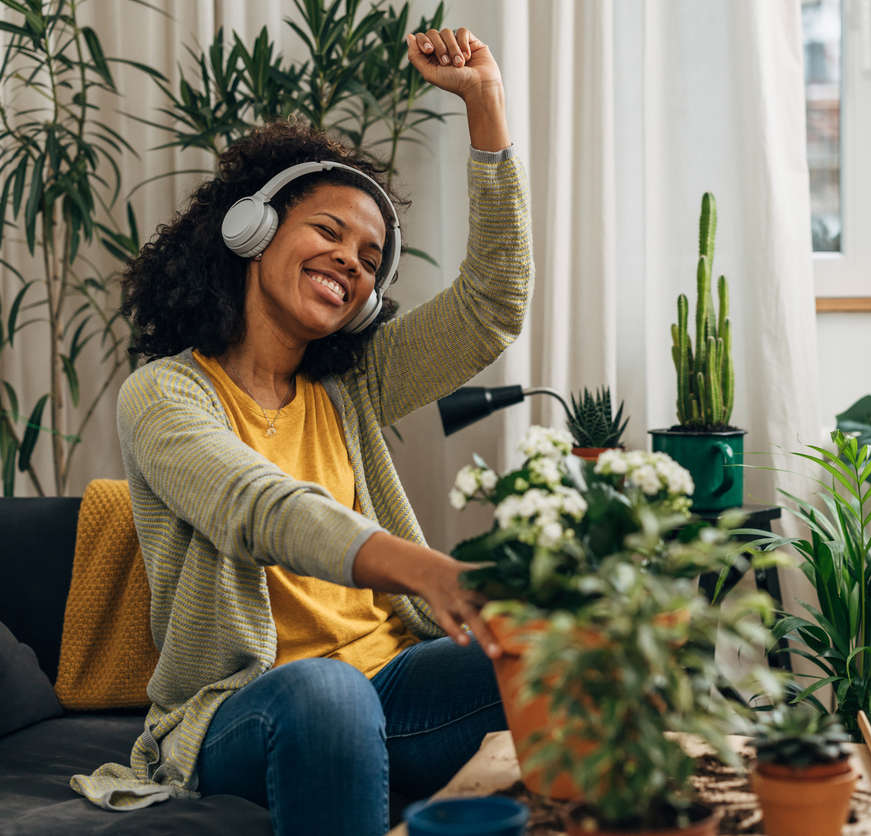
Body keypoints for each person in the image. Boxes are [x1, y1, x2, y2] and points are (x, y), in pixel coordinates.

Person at [70, 27, 532, 836]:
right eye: (328, 232)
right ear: (252, 230)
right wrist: (427, 568)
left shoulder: (353, 383)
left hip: (391, 686)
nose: (351, 261)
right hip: (252, 710)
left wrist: (486, 105)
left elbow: (493, 304)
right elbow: (260, 506)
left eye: (370, 256)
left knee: (555, 638)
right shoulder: (165, 394)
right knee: (327, 689)